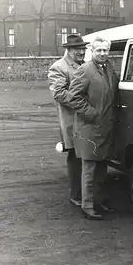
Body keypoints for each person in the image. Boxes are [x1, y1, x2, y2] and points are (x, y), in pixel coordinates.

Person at [67, 37, 119, 220]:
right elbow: (73, 97)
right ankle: (87, 206)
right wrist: (91, 113)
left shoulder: (109, 68)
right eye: (99, 51)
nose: (103, 54)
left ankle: (99, 201)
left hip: (104, 127)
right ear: (92, 51)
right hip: (89, 128)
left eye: (105, 50)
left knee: (101, 166)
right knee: (89, 168)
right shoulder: (85, 70)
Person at [47, 34, 88, 207]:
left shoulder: (85, 65)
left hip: (87, 118)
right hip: (73, 119)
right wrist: (83, 103)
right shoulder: (59, 67)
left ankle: (88, 194)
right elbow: (59, 94)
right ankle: (76, 195)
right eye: (78, 49)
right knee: (76, 157)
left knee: (88, 156)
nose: (82, 52)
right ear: (69, 50)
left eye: (83, 49)